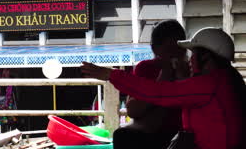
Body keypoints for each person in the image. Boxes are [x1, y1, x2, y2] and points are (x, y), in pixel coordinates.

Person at [81, 27, 245, 149]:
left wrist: (111, 74)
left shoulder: (210, 83)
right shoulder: (227, 78)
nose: (189, 59)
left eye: (193, 54)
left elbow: (159, 93)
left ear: (206, 57)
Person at [113, 20, 188, 149]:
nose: (175, 55)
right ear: (155, 49)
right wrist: (164, 77)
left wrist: (183, 78)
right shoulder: (145, 68)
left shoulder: (190, 69)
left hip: (179, 130)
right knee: (122, 135)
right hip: (147, 130)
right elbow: (133, 110)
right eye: (169, 50)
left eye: (179, 50)